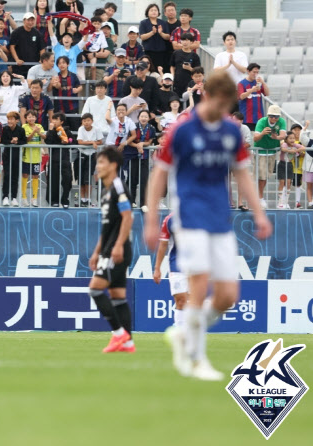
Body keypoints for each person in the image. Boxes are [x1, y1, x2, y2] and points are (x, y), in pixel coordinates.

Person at [145, 70, 272, 380]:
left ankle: (184, 331)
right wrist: (150, 220)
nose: (226, 111)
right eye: (223, 104)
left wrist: (259, 213)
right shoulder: (183, 130)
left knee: (228, 296)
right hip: (189, 215)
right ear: (208, 96)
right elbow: (159, 173)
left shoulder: (230, 131)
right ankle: (198, 359)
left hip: (220, 218)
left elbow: (242, 173)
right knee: (199, 284)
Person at [88, 147, 135, 353]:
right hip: (109, 248)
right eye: (97, 162)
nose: (98, 166)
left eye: (102, 162)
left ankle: (118, 334)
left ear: (113, 165)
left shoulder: (119, 187)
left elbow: (128, 217)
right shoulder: (107, 191)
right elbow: (108, 227)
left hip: (117, 249)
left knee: (95, 289)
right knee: (118, 296)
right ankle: (128, 343)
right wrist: (97, 251)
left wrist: (117, 246)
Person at [153, 213, 188, 363]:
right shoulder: (170, 219)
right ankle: (179, 332)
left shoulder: (203, 213)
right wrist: (157, 268)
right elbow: (163, 244)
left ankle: (188, 333)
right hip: (177, 265)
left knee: (192, 302)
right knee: (181, 300)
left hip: (198, 265)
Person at [253, 104, 287, 209]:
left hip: (272, 152)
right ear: (268, 115)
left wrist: (276, 137)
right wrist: (263, 133)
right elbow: (255, 139)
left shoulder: (281, 121)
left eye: (276, 116)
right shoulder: (261, 122)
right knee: (262, 177)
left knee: (266, 176)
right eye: (272, 116)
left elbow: (283, 135)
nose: (274, 118)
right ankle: (260, 198)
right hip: (261, 152)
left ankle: (260, 197)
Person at [45, 112, 72, 208]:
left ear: (62, 121)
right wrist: (51, 130)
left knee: (67, 179)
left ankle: (65, 200)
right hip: (54, 159)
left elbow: (72, 141)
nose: (54, 121)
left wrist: (67, 141)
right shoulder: (51, 131)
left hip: (65, 158)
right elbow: (48, 141)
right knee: (53, 180)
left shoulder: (67, 131)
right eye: (53, 119)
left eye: (57, 119)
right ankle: (53, 200)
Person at [76, 112, 103, 207]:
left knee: (88, 178)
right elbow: (80, 142)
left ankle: (88, 199)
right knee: (81, 178)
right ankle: (82, 199)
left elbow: (100, 141)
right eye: (84, 121)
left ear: (92, 121)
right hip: (82, 154)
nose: (86, 122)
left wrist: (93, 143)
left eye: (88, 120)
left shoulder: (96, 129)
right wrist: (92, 142)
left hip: (92, 155)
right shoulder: (80, 129)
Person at [0, 110, 26, 206]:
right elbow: (3, 140)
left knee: (15, 177)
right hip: (7, 156)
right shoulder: (5, 129)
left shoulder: (21, 130)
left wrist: (17, 141)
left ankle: (14, 197)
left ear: (17, 120)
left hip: (17, 157)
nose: (9, 121)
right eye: (8, 119)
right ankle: (5, 196)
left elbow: (24, 141)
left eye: (11, 119)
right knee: (6, 176)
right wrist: (11, 141)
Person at [9, 12, 45, 77]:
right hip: (19, 67)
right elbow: (12, 46)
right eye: (28, 20)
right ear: (24, 21)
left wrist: (41, 59)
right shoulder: (16, 32)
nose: (30, 22)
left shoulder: (37, 33)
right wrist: (17, 59)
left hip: (33, 65)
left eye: (32, 20)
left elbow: (42, 48)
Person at [277, 131, 306, 209]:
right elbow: (283, 149)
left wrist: (296, 150)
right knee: (282, 182)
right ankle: (280, 202)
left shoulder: (295, 145)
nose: (292, 140)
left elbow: (303, 147)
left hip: (290, 165)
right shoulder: (285, 144)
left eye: (293, 138)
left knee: (288, 183)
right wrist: (290, 151)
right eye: (290, 138)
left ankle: (286, 202)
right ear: (286, 139)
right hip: (282, 164)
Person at [138, 3, 170, 72]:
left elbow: (168, 37)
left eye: (155, 10)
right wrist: (152, 32)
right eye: (151, 10)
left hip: (161, 53)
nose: (154, 12)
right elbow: (142, 37)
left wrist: (161, 33)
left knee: (159, 71)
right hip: (148, 52)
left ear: (158, 12)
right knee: (147, 70)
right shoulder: (143, 23)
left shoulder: (163, 23)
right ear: (147, 12)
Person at [238, 63, 269, 131]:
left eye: (257, 72)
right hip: (246, 118)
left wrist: (263, 83)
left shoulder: (258, 83)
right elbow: (241, 96)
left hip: (259, 118)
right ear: (248, 71)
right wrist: (251, 90)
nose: (255, 74)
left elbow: (267, 93)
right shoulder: (242, 83)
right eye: (254, 72)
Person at [169, 33, 200, 97]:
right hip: (177, 81)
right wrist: (172, 75)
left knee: (189, 99)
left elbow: (198, 71)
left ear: (191, 42)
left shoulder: (195, 56)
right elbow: (172, 66)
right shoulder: (176, 53)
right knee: (177, 99)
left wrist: (190, 69)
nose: (184, 42)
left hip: (190, 82)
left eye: (187, 40)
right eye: (183, 40)